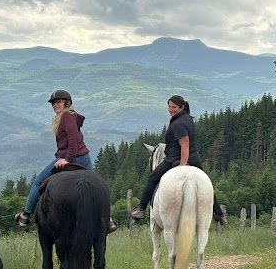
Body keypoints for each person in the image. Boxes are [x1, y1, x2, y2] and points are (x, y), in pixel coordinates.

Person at [15, 89, 118, 233]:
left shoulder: (66, 117)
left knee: (38, 182)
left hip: (70, 156)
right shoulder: (70, 116)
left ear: (66, 103)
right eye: (53, 103)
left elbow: (73, 140)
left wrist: (67, 159)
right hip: (84, 157)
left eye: (58, 102)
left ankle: (25, 214)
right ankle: (107, 219)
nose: (55, 105)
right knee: (96, 189)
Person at [129, 95, 227, 225]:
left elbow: (184, 145)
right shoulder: (187, 118)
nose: (170, 109)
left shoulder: (177, 124)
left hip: (175, 159)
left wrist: (182, 167)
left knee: (152, 178)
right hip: (194, 158)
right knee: (207, 185)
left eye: (173, 107)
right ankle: (218, 213)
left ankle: (141, 209)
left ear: (181, 107)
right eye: (169, 106)